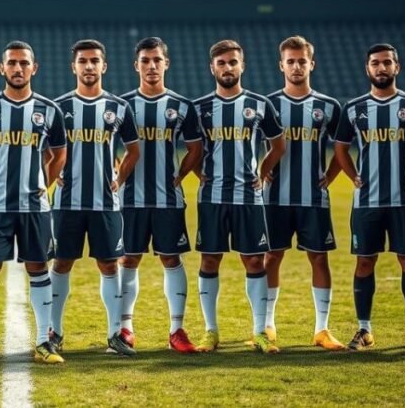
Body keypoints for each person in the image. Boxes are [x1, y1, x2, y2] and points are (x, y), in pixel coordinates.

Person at [0, 41, 67, 365]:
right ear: (2, 68)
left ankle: (43, 341)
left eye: (23, 63)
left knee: (38, 267)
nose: (18, 68)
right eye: (12, 63)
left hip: (35, 208)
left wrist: (44, 184)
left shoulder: (49, 110)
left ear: (34, 68)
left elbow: (60, 154)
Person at [334, 43, 405, 353]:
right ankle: (364, 329)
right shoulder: (354, 108)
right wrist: (353, 175)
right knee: (365, 261)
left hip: (404, 202)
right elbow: (340, 147)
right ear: (367, 69)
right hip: (366, 202)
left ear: (397, 67)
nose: (381, 68)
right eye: (375, 63)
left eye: (387, 62)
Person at [193, 40, 286, 354]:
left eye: (233, 62)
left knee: (254, 260)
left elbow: (278, 145)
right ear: (212, 68)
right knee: (209, 259)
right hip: (212, 197)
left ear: (242, 66)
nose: (227, 68)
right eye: (221, 63)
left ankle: (260, 332)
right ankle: (211, 331)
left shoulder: (259, 104)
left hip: (248, 197)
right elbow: (192, 149)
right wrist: (198, 173)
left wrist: (263, 171)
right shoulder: (200, 108)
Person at [49, 39, 140, 356]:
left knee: (109, 264)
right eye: (83, 61)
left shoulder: (119, 107)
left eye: (94, 61)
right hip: (67, 202)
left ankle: (115, 333)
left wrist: (119, 179)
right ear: (73, 67)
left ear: (104, 66)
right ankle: (55, 331)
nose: (89, 66)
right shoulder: (58, 107)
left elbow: (133, 150)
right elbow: (43, 147)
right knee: (62, 262)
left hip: (105, 203)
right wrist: (53, 172)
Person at [118, 36, 202, 354]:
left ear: (166, 63)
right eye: (145, 61)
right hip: (130, 199)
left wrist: (180, 176)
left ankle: (176, 330)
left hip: (168, 199)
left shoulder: (181, 106)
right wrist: (116, 174)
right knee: (129, 259)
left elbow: (195, 149)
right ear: (136, 65)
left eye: (157, 60)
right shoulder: (122, 104)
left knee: (171, 258)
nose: (151, 66)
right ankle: (125, 328)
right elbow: (105, 143)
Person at [262, 36, 346, 351]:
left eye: (301, 61)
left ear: (312, 64)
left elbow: (342, 148)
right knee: (272, 257)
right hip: (275, 197)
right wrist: (262, 167)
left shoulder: (328, 106)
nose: (296, 66)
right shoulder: (267, 104)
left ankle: (322, 329)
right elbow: (250, 142)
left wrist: (331, 175)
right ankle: (267, 325)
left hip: (313, 197)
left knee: (319, 258)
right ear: (281, 65)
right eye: (291, 61)